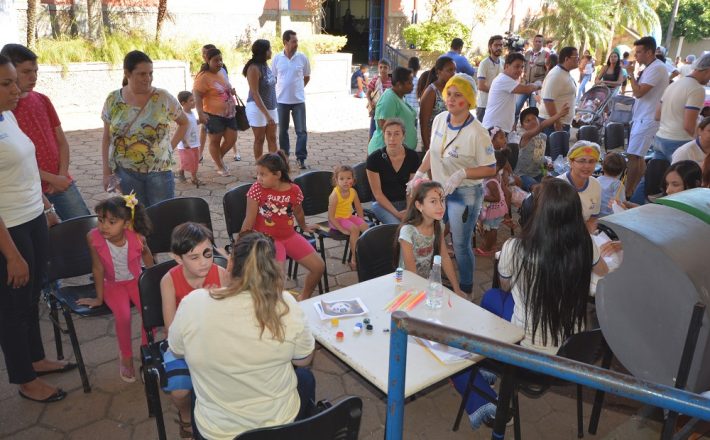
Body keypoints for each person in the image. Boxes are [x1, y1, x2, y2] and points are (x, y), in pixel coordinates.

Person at [452, 178, 609, 429]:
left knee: (454, 350)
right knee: (491, 300)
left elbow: (505, 285)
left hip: (527, 354)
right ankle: (489, 369)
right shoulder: (587, 244)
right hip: (574, 352)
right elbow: (604, 273)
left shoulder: (516, 247)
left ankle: (486, 404)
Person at [168, 232, 316, 440]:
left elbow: (176, 349)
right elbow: (303, 359)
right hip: (280, 428)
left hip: (217, 433)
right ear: (272, 269)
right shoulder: (285, 303)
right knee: (305, 377)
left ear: (229, 265)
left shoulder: (193, 303)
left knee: (196, 389)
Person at [0, 54, 73, 404]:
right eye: (6, 83)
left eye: (15, 80)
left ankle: (37, 358)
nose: (16, 89)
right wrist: (11, 255)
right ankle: (24, 379)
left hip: (32, 217)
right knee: (11, 306)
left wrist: (46, 207)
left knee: (31, 296)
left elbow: (27, 169)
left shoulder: (8, 116)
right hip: (8, 229)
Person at [410, 74, 496, 294]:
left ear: (468, 100)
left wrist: (463, 173)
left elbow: (491, 168)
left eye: (458, 95)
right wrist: (420, 172)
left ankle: (466, 290)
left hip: (465, 194)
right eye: (449, 93)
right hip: (439, 191)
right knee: (434, 236)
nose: (450, 98)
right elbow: (433, 149)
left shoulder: (478, 132)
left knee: (460, 244)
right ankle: (435, 278)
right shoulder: (440, 119)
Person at [0, 43, 89, 220]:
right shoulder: (8, 111)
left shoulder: (42, 100)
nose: (33, 77)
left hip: (62, 182)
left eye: (36, 71)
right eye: (26, 72)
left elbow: (62, 142)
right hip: (32, 192)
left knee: (84, 227)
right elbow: (19, 161)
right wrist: (52, 179)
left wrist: (62, 176)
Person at [159, 222, 229, 438]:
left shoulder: (222, 274)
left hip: (216, 340)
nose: (204, 262)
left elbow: (230, 321)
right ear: (178, 258)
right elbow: (171, 331)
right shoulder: (169, 280)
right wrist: (201, 305)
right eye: (194, 257)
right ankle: (186, 417)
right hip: (182, 344)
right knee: (180, 392)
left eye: (207, 254)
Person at [76, 195, 154, 382]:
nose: (104, 226)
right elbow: (97, 267)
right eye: (101, 220)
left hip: (136, 280)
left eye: (112, 222)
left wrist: (153, 279)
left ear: (127, 223)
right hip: (112, 285)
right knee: (123, 316)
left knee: (149, 314)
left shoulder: (136, 236)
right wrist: (99, 298)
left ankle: (147, 353)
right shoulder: (93, 238)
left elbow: (147, 255)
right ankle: (126, 358)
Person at [102, 50, 188, 207]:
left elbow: (184, 122)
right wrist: (106, 172)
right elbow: (107, 137)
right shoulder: (113, 99)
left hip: (160, 172)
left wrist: (169, 148)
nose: (147, 78)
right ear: (127, 73)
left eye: (150, 73)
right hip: (125, 172)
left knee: (162, 217)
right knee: (136, 218)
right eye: (142, 74)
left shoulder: (163, 97)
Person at [241, 151, 325, 300]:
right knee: (278, 281)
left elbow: (298, 212)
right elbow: (249, 220)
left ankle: (303, 298)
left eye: (263, 174)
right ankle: (275, 312)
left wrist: (304, 226)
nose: (258, 178)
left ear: (278, 175)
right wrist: (238, 248)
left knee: (319, 267)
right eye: (258, 174)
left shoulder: (294, 190)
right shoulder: (256, 189)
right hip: (268, 241)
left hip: (289, 236)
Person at [395, 180, 463, 296]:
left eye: (442, 200)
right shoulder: (408, 232)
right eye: (433, 201)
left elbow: (445, 258)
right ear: (419, 205)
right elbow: (411, 271)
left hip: (425, 283)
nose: (441, 206)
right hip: (406, 286)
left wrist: (457, 289)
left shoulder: (438, 226)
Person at [625, 36, 669, 198]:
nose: (636, 56)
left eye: (639, 52)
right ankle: (635, 190)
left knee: (633, 155)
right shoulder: (653, 67)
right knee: (638, 156)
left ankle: (628, 192)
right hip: (644, 117)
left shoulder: (657, 68)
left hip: (647, 119)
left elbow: (638, 92)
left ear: (649, 52)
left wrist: (630, 74)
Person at [654, 53, 710, 162]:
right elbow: (689, 126)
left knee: (658, 177)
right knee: (683, 177)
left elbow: (657, 115)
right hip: (679, 141)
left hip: (660, 138)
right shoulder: (697, 89)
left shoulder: (674, 84)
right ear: (708, 70)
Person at [366, 119, 421, 224]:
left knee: (420, 224)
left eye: (396, 134)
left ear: (403, 136)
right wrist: (397, 214)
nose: (392, 138)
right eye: (388, 134)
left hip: (406, 202)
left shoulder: (412, 156)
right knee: (397, 226)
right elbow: (377, 194)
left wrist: (409, 210)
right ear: (384, 136)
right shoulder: (374, 159)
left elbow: (411, 188)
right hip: (382, 204)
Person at [193, 48, 238, 177]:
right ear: (207, 60)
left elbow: (225, 86)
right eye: (216, 60)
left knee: (232, 138)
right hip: (213, 114)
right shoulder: (203, 77)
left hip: (229, 113)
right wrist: (200, 113)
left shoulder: (222, 72)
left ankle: (218, 158)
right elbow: (196, 95)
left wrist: (231, 91)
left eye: (221, 60)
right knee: (215, 141)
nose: (219, 63)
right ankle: (220, 165)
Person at [273, 30, 311, 170]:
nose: (296, 44)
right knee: (283, 131)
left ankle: (301, 158)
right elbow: (274, 78)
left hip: (298, 101)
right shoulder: (277, 59)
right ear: (285, 42)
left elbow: (306, 76)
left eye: (297, 41)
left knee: (301, 131)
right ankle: (284, 158)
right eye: (294, 41)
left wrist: (298, 89)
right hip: (281, 101)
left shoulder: (302, 58)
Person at [481, 53, 541, 133]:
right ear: (506, 66)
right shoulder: (504, 79)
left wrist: (512, 125)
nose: (520, 70)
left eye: (522, 67)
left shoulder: (509, 80)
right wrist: (538, 84)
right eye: (516, 66)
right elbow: (527, 89)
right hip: (494, 129)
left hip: (500, 129)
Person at [513, 105, 569, 191]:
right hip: (523, 175)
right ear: (523, 126)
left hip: (538, 173)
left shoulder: (543, 137)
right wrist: (559, 115)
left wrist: (546, 164)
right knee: (538, 189)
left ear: (538, 120)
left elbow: (539, 155)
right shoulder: (525, 137)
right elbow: (542, 126)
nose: (532, 121)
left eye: (534, 118)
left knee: (553, 185)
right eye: (528, 121)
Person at [328, 165, 369, 269]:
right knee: (354, 229)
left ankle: (366, 255)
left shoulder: (353, 192)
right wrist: (341, 229)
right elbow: (331, 217)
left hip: (348, 217)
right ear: (336, 180)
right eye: (342, 179)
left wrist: (361, 220)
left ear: (353, 180)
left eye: (348, 178)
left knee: (366, 227)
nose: (345, 181)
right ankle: (354, 259)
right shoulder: (335, 195)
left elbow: (359, 207)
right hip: (336, 220)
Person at [367, 66, 416, 154]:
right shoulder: (389, 98)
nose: (412, 85)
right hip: (386, 153)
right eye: (409, 82)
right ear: (399, 85)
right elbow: (384, 125)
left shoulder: (400, 97)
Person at [244, 39, 278, 161]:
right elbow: (255, 93)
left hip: (271, 106)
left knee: (272, 138)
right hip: (257, 108)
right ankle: (259, 169)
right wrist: (267, 115)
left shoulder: (265, 65)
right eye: (269, 49)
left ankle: (274, 166)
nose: (271, 51)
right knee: (260, 139)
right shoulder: (253, 68)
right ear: (263, 51)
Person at [556, 141, 602, 233]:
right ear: (571, 162)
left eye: (591, 161)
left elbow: (593, 217)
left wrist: (586, 236)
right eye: (582, 161)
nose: (587, 166)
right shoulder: (557, 186)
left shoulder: (596, 185)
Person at [475, 150, 510, 256]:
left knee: (491, 228)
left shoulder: (491, 182)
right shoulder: (494, 176)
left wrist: (481, 196)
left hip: (494, 209)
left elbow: (496, 198)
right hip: (496, 208)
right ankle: (491, 244)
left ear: (497, 166)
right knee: (492, 227)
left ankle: (488, 248)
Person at [539, 46, 578, 136]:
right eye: (576, 57)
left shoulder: (564, 72)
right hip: (553, 124)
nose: (578, 60)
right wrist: (557, 121)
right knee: (553, 150)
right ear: (566, 59)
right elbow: (548, 100)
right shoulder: (556, 74)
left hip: (560, 122)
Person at [419, 56, 456, 153]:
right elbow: (424, 124)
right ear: (439, 72)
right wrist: (428, 150)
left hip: (449, 144)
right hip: (434, 145)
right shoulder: (431, 92)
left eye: (454, 70)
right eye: (450, 70)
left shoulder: (451, 90)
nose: (453, 74)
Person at [515, 34, 548, 119]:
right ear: (533, 42)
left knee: (533, 110)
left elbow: (548, 72)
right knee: (517, 107)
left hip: (536, 87)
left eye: (539, 41)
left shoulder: (546, 55)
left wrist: (542, 86)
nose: (537, 43)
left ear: (542, 43)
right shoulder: (527, 54)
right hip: (525, 84)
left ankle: (532, 130)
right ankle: (513, 127)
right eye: (536, 41)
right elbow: (522, 68)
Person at [175, 91, 202, 186]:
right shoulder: (182, 115)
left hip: (194, 142)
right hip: (185, 144)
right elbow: (179, 130)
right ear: (183, 103)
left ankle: (180, 171)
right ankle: (194, 178)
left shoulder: (191, 113)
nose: (194, 102)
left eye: (194, 99)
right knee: (191, 162)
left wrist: (201, 121)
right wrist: (184, 142)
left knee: (193, 160)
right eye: (191, 100)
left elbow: (194, 123)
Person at [476, 35, 504, 122]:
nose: (499, 47)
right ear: (490, 47)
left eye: (501, 45)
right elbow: (481, 86)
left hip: (497, 104)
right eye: (496, 45)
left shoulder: (503, 62)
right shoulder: (484, 64)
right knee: (482, 131)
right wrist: (497, 91)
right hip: (484, 104)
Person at [366, 59, 392, 139]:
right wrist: (370, 103)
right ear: (378, 68)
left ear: (389, 69)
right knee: (373, 130)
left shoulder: (392, 81)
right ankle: (370, 149)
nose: (382, 70)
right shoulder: (375, 80)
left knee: (386, 130)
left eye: (385, 67)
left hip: (388, 110)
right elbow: (368, 94)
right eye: (380, 67)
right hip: (376, 109)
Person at [597, 152, 626, 216]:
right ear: (621, 171)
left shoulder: (597, 180)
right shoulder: (618, 184)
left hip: (597, 215)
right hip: (611, 217)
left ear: (602, 167)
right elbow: (620, 203)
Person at [404, 56, 421, 121]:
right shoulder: (419, 81)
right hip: (415, 111)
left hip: (405, 109)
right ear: (419, 67)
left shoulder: (405, 81)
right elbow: (418, 96)